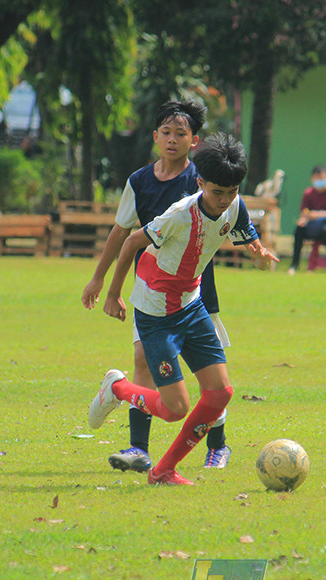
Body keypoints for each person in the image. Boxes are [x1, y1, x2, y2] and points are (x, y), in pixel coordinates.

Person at [87, 133, 278, 486]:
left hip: (191, 305)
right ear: (200, 182)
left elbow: (242, 224)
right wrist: (113, 293)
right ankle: (117, 388)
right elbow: (131, 242)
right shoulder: (178, 216)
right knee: (175, 409)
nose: (224, 200)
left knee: (220, 394)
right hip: (157, 313)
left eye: (232, 191)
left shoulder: (234, 204)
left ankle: (163, 471)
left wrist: (256, 247)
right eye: (217, 192)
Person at [82, 99, 234, 473]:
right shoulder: (140, 181)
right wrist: (100, 278)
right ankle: (139, 449)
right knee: (143, 364)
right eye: (166, 132)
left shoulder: (203, 179)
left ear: (193, 140)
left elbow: (233, 216)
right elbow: (123, 230)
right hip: (152, 293)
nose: (172, 140)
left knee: (211, 374)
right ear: (154, 136)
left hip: (197, 291)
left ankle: (218, 446)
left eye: (180, 134)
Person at [288, 166, 326, 274]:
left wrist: (318, 215)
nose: (319, 181)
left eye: (321, 178)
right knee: (299, 230)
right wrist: (304, 219)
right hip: (312, 226)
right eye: (316, 179)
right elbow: (304, 212)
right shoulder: (309, 193)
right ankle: (294, 265)